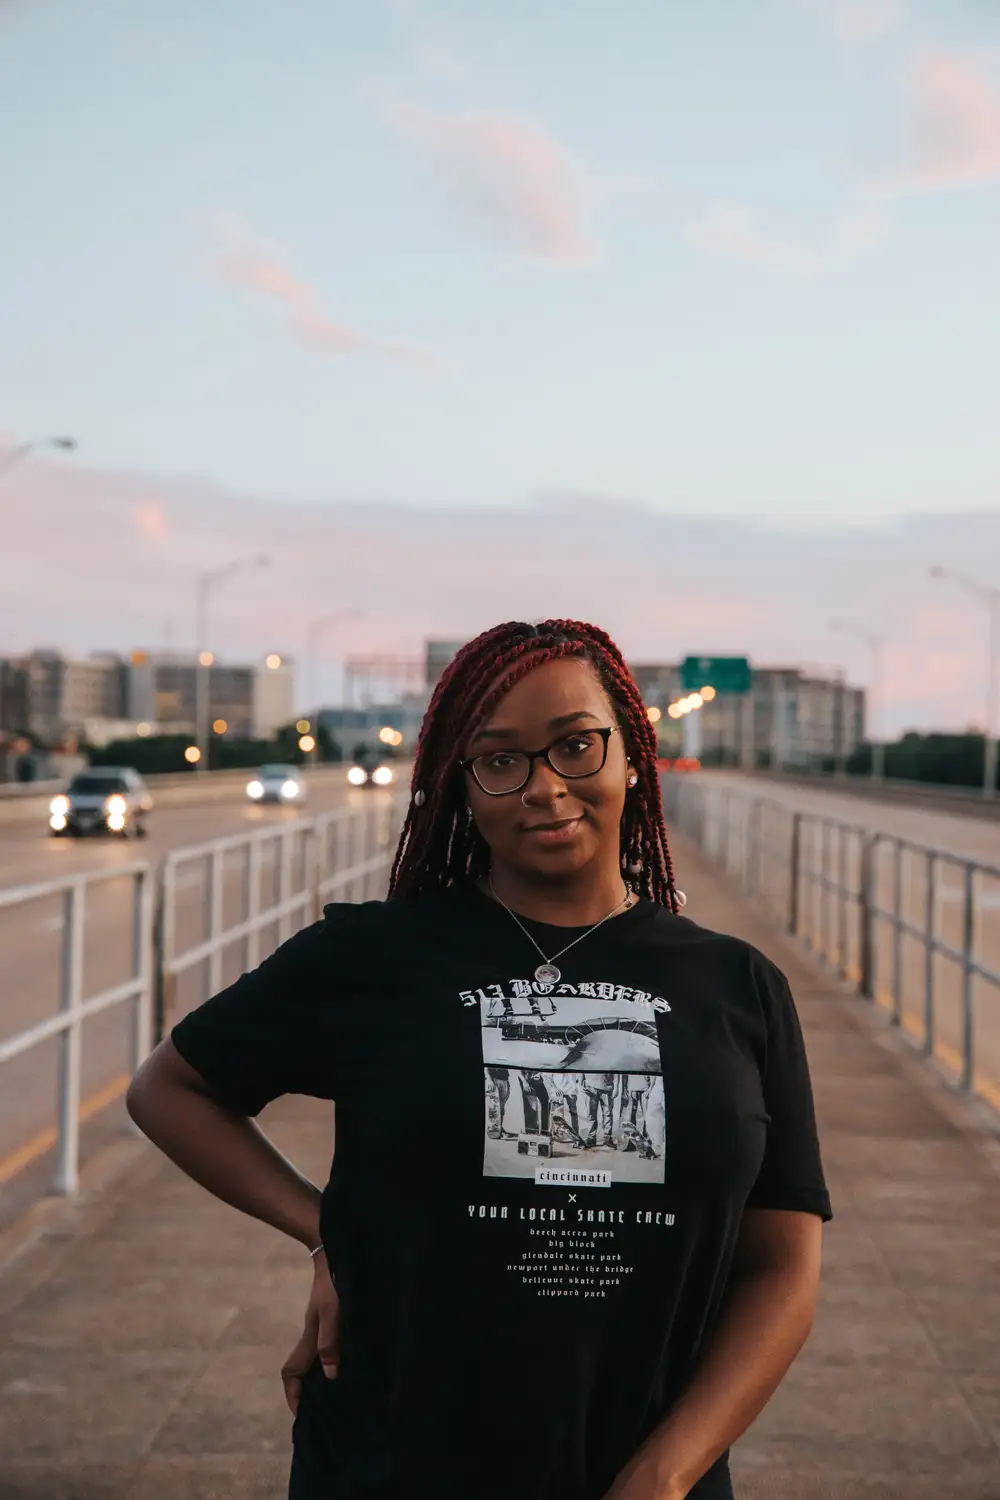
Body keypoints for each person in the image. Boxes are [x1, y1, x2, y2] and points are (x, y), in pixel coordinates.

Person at [126, 618, 831, 1500]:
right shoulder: (371, 958)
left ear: (631, 754)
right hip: (393, 1466)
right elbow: (170, 1089)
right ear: (459, 786)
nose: (544, 788)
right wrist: (325, 1234)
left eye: (576, 745)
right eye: (500, 760)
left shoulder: (739, 986)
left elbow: (782, 1266)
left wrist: (664, 1471)